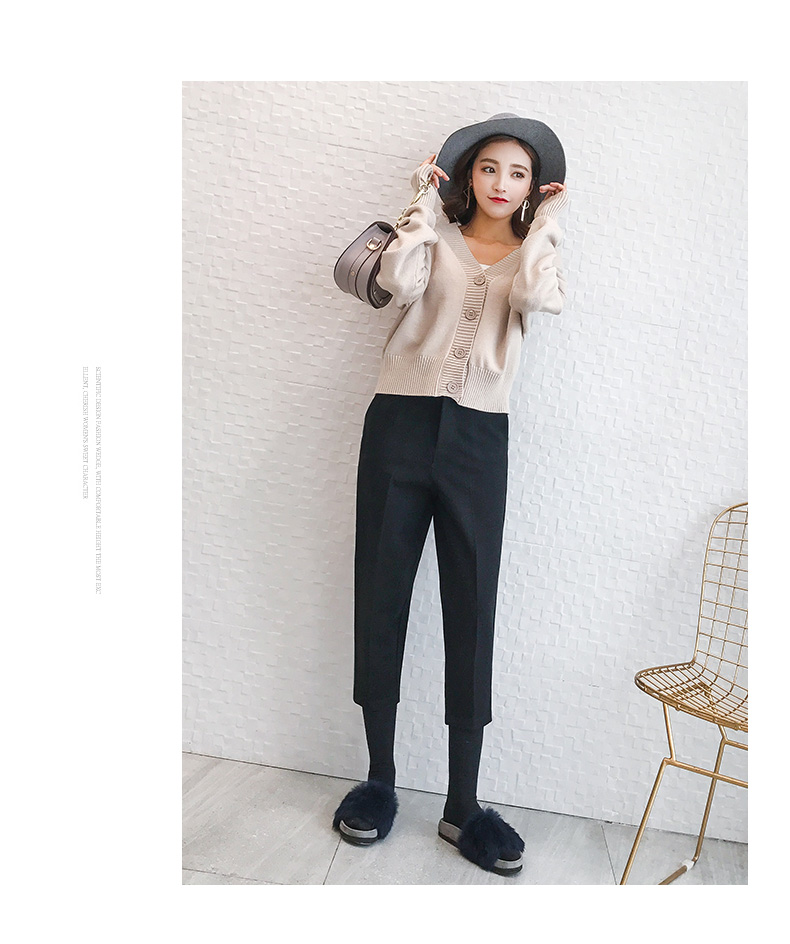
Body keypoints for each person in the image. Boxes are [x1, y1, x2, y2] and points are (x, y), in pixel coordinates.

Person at [332, 113, 569, 877]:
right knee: (380, 596)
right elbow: (396, 283)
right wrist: (422, 207)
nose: (501, 184)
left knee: (473, 608)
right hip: (398, 425)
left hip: (478, 440)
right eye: (489, 168)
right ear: (467, 174)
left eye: (519, 174)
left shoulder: (535, 252)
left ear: (536, 188)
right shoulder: (432, 235)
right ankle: (380, 779)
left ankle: (463, 805)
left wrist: (546, 227)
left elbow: (539, 299)